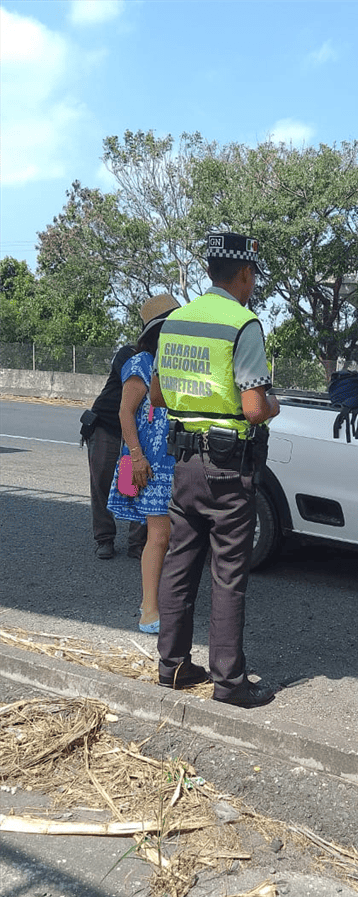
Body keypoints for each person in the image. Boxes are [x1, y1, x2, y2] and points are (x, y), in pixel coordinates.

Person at [150, 232, 280, 707]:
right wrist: (273, 405)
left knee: (180, 563)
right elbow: (251, 407)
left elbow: (158, 396)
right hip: (228, 467)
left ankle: (174, 667)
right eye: (252, 278)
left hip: (183, 462)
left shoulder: (175, 321)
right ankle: (229, 683)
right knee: (228, 573)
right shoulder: (243, 324)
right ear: (244, 274)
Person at [106, 294, 180, 633]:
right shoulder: (141, 363)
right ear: (159, 331)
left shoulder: (176, 362)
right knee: (160, 534)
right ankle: (149, 608)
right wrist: (136, 457)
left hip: (175, 458)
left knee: (172, 535)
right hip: (151, 463)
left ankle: (158, 600)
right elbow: (125, 412)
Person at [81, 336, 148, 561]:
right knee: (102, 482)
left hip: (139, 431)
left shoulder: (165, 360)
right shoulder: (128, 354)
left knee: (140, 484)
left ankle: (138, 543)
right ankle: (104, 539)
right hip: (107, 425)